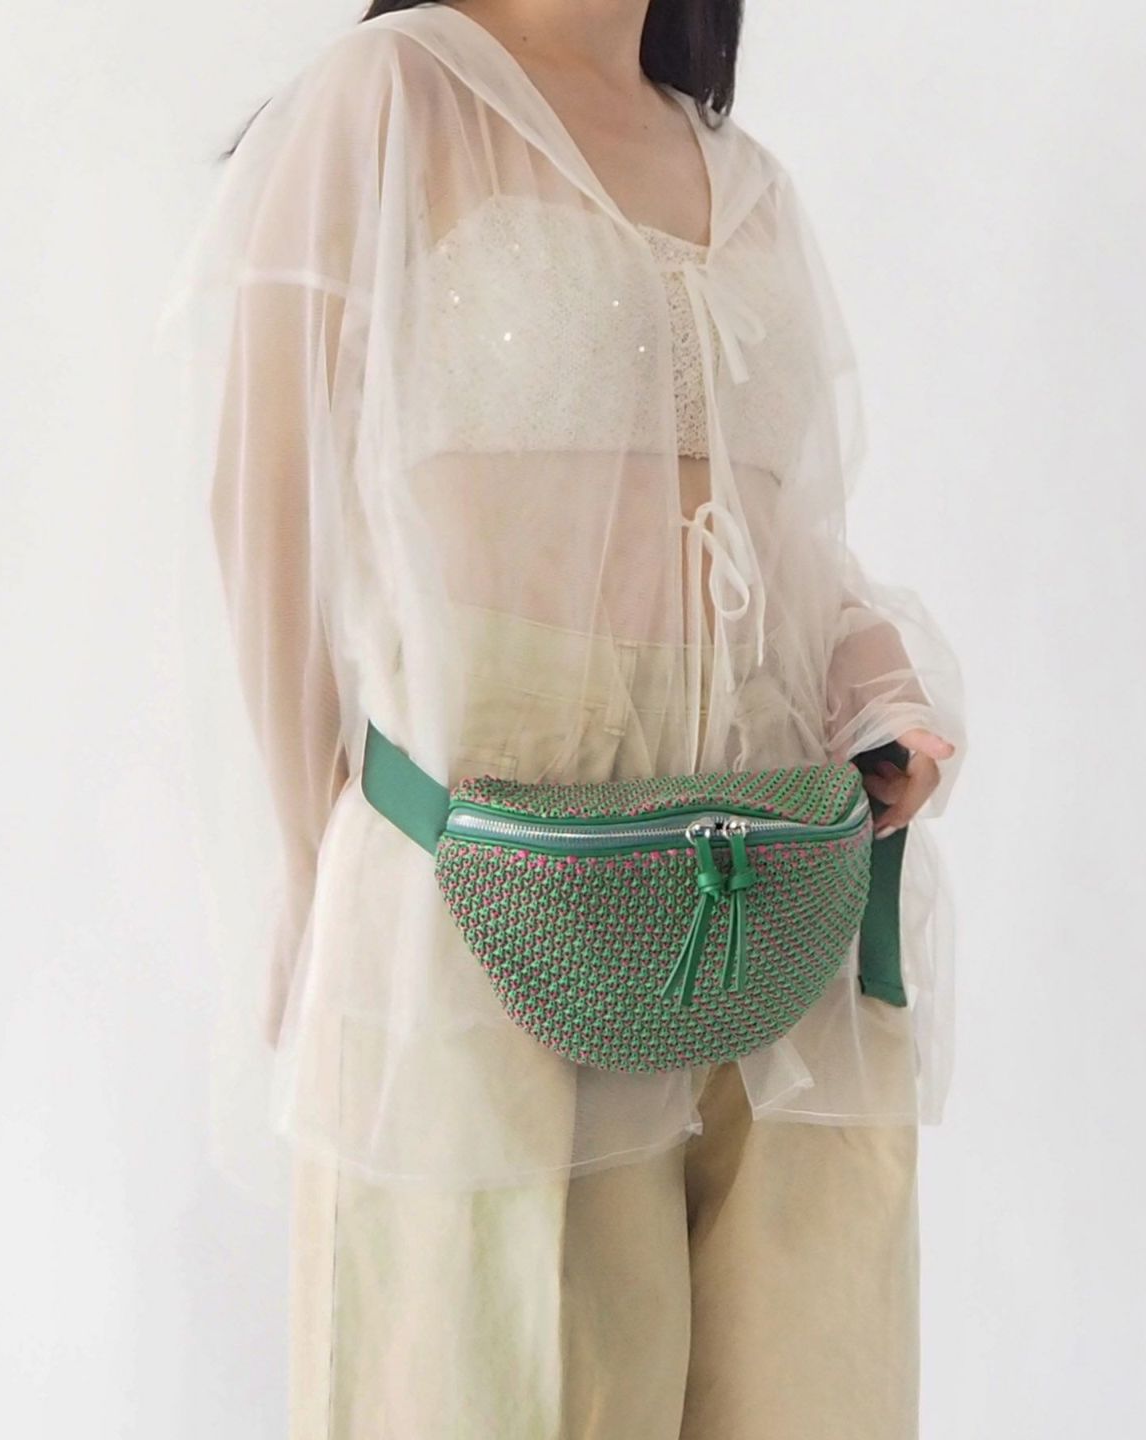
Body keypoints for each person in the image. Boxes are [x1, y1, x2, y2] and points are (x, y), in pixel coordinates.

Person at [159, 2, 966, 1435]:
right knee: (494, 1387)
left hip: (775, 916)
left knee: (813, 1389)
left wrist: (875, 686)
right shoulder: (393, 96)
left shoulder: (744, 174)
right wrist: (318, 866)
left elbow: (790, 547)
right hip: (481, 900)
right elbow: (267, 513)